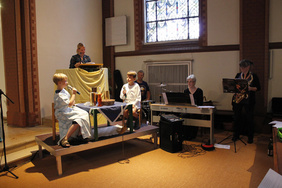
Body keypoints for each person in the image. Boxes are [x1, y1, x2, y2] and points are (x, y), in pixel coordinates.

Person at [53, 73, 92, 147]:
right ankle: (65, 138)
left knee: (84, 113)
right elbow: (70, 103)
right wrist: (74, 93)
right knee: (79, 119)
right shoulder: (59, 95)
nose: (67, 83)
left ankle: (80, 134)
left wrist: (73, 101)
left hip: (67, 110)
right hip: (62, 112)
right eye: (65, 81)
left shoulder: (63, 90)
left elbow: (70, 102)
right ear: (59, 83)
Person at [232, 59, 260, 144]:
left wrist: (250, 88)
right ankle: (236, 135)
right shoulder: (238, 75)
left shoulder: (253, 76)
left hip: (249, 100)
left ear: (248, 67)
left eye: (243, 67)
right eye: (241, 67)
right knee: (236, 117)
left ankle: (250, 137)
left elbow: (258, 88)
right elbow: (235, 86)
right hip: (239, 98)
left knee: (249, 118)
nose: (242, 69)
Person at [182, 74, 203, 140]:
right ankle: (185, 134)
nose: (189, 83)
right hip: (188, 110)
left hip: (196, 110)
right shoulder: (186, 91)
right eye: (188, 81)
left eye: (191, 81)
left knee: (194, 116)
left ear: (194, 82)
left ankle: (193, 135)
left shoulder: (199, 91)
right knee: (184, 116)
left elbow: (200, 103)